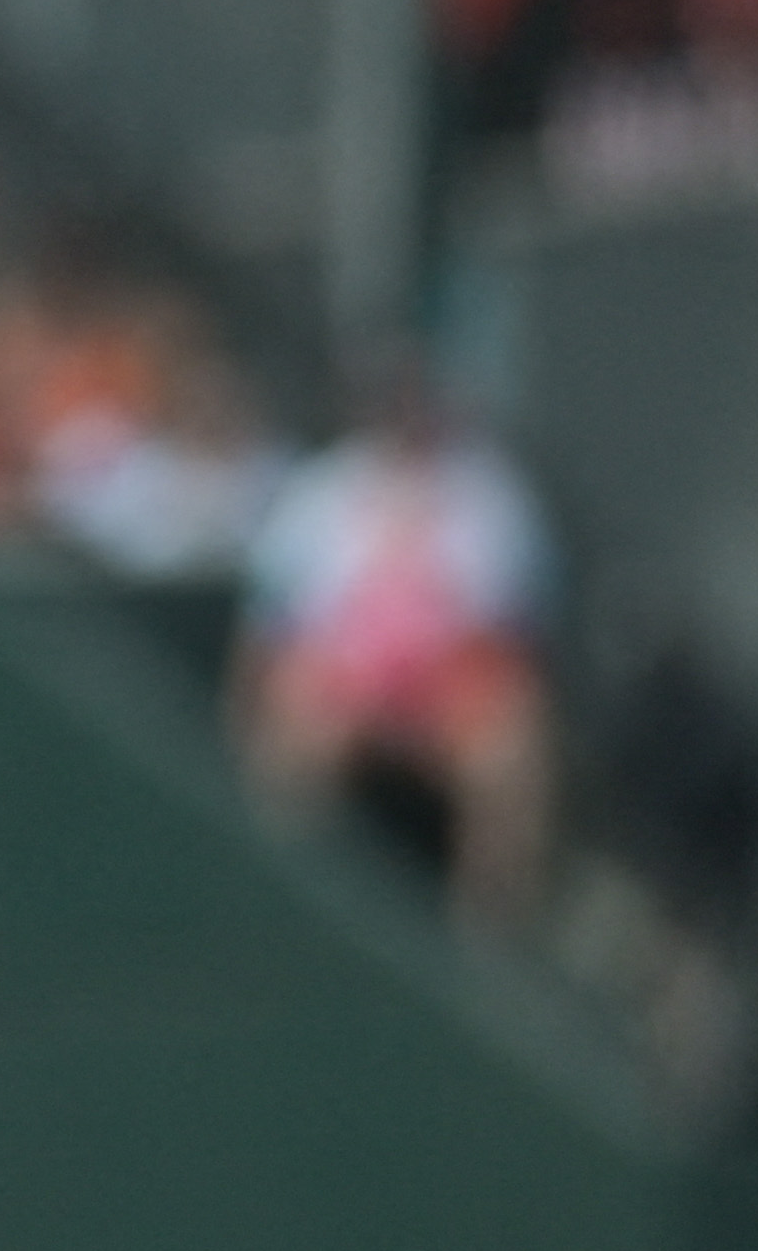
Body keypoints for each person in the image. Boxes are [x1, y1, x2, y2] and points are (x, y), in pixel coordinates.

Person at [234, 367, 555, 931]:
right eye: (391, 406)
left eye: (416, 405)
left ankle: (489, 945)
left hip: (450, 684)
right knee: (295, 735)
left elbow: (513, 635)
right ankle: (288, 920)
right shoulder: (319, 491)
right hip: (346, 678)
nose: (404, 420)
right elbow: (272, 630)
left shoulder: (489, 494)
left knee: (510, 756)